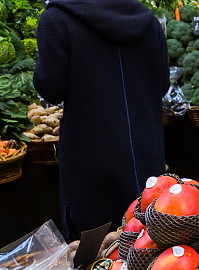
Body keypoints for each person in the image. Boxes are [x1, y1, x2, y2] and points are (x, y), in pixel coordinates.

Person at [34, 0, 169, 239]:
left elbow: (50, 88)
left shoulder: (56, 20)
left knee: (93, 259)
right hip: (146, 153)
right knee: (151, 245)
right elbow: (162, 85)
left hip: (89, 161)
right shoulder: (148, 21)